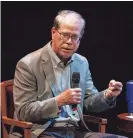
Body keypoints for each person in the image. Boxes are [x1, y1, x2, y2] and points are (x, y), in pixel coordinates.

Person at [13, 10, 126, 138]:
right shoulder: (28, 64)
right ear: (54, 33)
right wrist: (58, 101)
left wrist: (108, 95)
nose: (69, 41)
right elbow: (24, 111)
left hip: (73, 131)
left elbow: (88, 102)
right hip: (40, 131)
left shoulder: (81, 62)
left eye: (74, 37)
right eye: (65, 35)